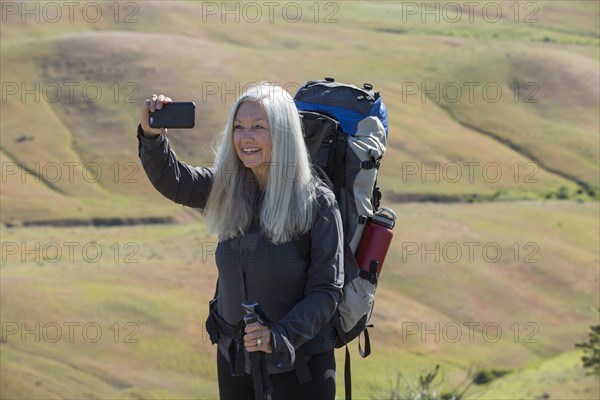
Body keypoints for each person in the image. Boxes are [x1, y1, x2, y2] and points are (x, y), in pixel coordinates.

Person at [137, 83, 344, 399]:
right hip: (237, 365)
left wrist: (277, 336)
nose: (245, 137)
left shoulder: (317, 203)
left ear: (284, 133)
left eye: (258, 127)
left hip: (301, 369)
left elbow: (327, 291)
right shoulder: (228, 189)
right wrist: (151, 137)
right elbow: (175, 181)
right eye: (239, 127)